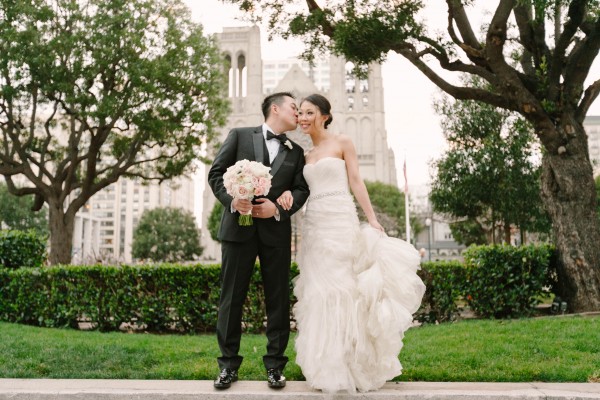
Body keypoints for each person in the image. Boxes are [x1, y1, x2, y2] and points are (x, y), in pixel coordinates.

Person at [277, 93, 426, 393]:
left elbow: (356, 181)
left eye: (308, 113)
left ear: (324, 115)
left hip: (341, 221)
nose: (302, 118)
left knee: (345, 288)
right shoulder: (303, 156)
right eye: (300, 114)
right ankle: (325, 366)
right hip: (315, 224)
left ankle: (350, 362)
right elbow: (299, 190)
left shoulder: (343, 142)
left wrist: (371, 218)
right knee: (319, 292)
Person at [208, 92, 310, 390]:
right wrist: (232, 201)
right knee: (231, 299)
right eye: (294, 107)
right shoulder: (239, 136)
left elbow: (301, 190)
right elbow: (216, 174)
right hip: (237, 232)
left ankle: (275, 366)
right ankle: (227, 366)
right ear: (275, 109)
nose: (298, 113)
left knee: (278, 300)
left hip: (276, 234)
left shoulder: (296, 152)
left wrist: (277, 208)